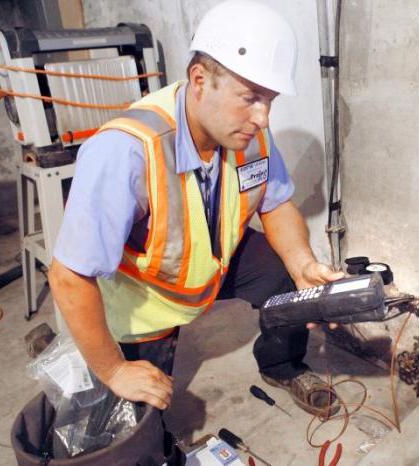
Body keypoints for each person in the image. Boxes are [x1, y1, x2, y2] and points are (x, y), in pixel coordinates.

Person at [47, 0, 343, 463]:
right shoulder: (126, 152)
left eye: (270, 100)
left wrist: (303, 263)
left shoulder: (250, 134)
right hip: (148, 291)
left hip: (213, 257)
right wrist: (113, 368)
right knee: (137, 404)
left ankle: (282, 365)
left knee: (288, 280)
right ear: (200, 80)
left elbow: (276, 201)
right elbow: (68, 276)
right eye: (250, 97)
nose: (264, 118)